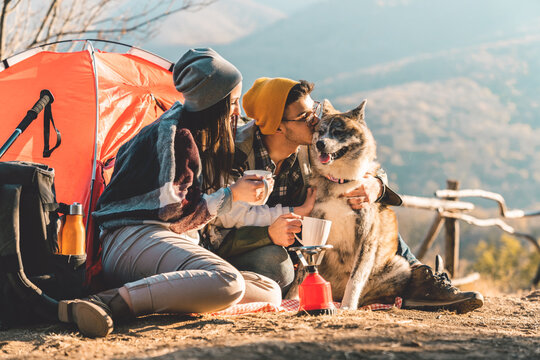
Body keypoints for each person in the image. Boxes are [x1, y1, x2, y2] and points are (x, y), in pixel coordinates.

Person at [204, 77, 484, 313]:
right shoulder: (234, 156)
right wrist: (268, 234)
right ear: (278, 126)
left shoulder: (310, 147)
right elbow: (214, 231)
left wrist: (376, 186)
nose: (316, 120)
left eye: (312, 110)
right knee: (279, 269)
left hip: (297, 236)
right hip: (246, 243)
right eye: (304, 116)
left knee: (366, 212)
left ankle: (421, 279)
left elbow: (360, 164)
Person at [58, 49, 282, 338]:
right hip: (132, 239)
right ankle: (104, 302)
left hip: (162, 241)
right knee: (228, 282)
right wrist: (232, 196)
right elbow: (171, 212)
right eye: (233, 102)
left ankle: (154, 296)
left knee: (269, 291)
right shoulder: (174, 136)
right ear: (215, 102)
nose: (236, 112)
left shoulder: (193, 131)